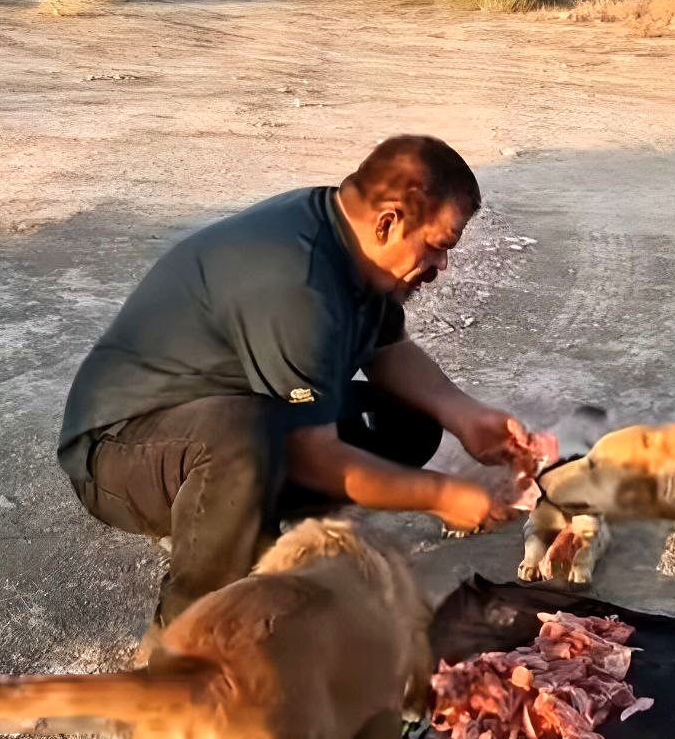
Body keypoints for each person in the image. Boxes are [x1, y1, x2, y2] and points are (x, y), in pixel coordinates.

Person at [58, 135, 529, 653]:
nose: (442, 266)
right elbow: (311, 455)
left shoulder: (350, 239)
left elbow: (390, 352)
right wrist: (438, 495)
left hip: (224, 414)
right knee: (243, 438)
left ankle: (248, 527)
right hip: (120, 450)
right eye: (440, 245)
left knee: (408, 420)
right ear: (389, 221)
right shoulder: (298, 283)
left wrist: (466, 417)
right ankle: (183, 640)